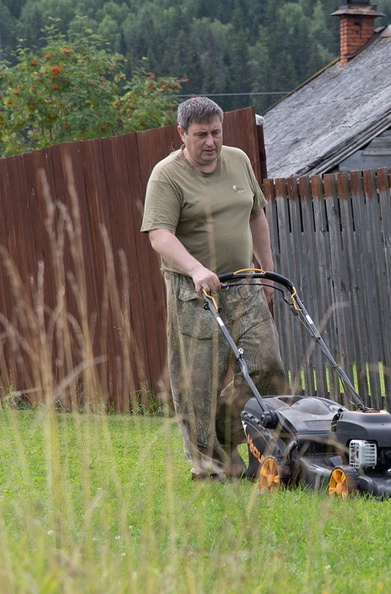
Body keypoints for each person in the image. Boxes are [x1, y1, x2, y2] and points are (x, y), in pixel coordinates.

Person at [141, 97, 287, 481]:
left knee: (268, 368)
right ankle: (207, 463)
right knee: (198, 384)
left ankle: (223, 438)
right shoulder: (166, 175)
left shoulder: (238, 160)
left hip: (244, 284)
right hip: (194, 294)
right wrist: (195, 269)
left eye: (216, 132)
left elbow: (256, 213)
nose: (211, 142)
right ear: (182, 135)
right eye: (201, 135)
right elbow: (159, 235)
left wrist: (267, 272)